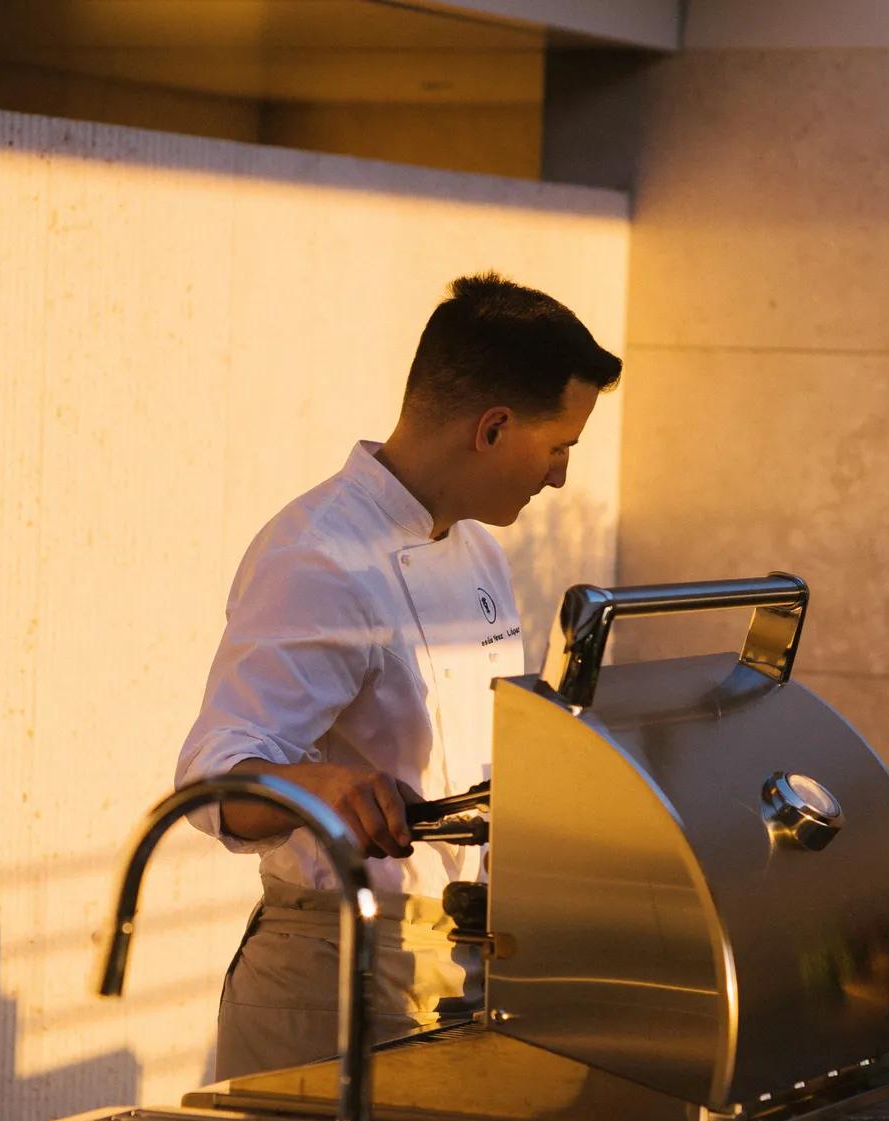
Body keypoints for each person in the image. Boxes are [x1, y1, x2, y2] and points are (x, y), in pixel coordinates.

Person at [176, 272, 622, 1079]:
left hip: (453, 957)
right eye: (559, 447)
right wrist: (318, 785)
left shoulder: (481, 546)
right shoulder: (321, 554)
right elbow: (209, 780)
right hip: (332, 972)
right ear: (491, 429)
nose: (560, 475)